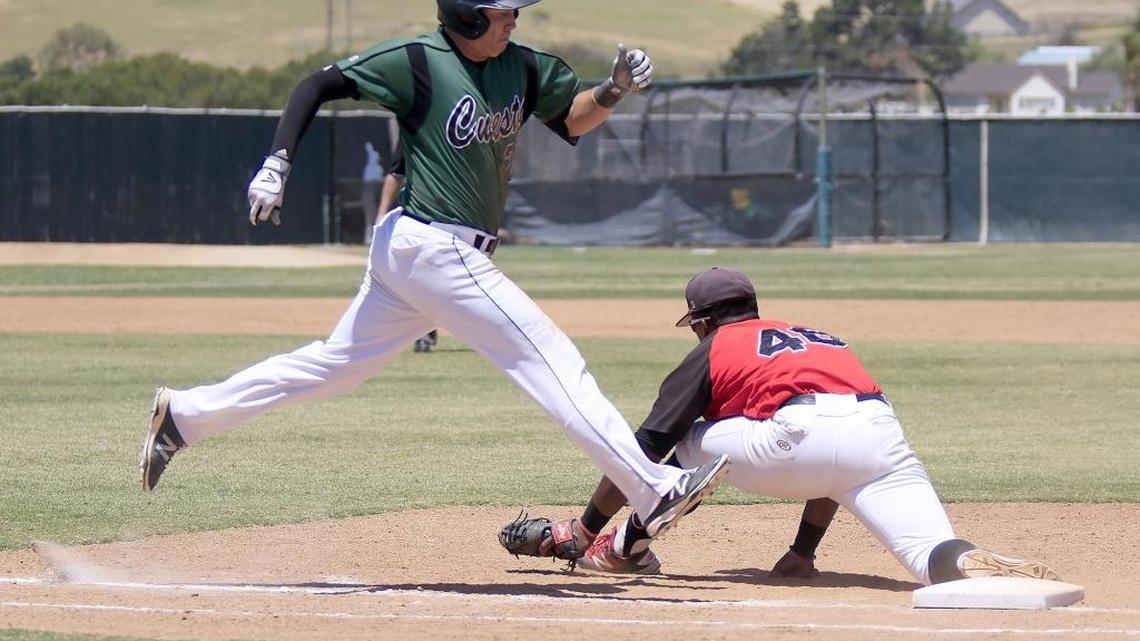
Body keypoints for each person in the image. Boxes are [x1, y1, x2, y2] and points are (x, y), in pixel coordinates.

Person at [139, 0, 730, 544]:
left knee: (337, 365)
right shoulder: (417, 61)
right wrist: (277, 161)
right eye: (502, 13)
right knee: (548, 357)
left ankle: (186, 416)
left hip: (420, 253)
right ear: (468, 17)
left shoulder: (520, 67)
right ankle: (650, 488)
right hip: (434, 246)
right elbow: (317, 84)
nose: (514, 21)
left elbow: (571, 119)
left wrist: (613, 89)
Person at [501, 267, 1059, 585]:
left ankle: (623, 547)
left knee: (677, 449)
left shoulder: (717, 344)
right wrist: (803, 553)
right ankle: (967, 563)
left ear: (702, 320)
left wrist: (584, 524)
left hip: (788, 440)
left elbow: (642, 447)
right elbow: (835, 458)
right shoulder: (820, 336)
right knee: (928, 553)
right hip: (880, 437)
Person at [370, 140, 437, 353]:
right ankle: (423, 330)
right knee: (416, 276)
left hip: (454, 220)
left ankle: (426, 326)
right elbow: (396, 173)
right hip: (418, 217)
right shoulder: (415, 126)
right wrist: (381, 215)